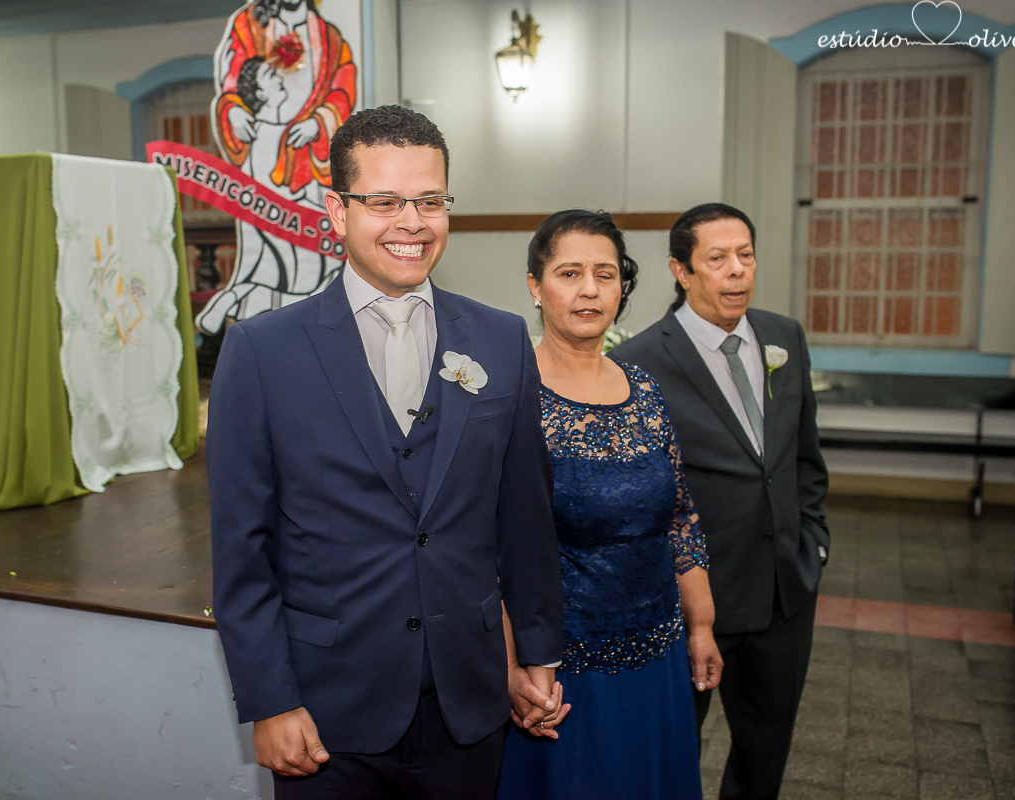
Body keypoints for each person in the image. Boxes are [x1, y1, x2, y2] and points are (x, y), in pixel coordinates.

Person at [207, 104, 564, 799]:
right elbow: (242, 548)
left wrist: (536, 654)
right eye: (386, 201)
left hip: (468, 697)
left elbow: (524, 518)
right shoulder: (262, 352)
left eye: (430, 200)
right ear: (337, 212)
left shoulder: (499, 340)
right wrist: (271, 700)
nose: (413, 221)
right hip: (325, 708)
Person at [497, 210, 723, 800]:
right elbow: (484, 550)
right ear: (534, 286)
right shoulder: (510, 395)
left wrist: (701, 625)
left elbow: (679, 516)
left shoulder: (643, 389)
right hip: (560, 669)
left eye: (606, 272)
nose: (590, 289)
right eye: (569, 273)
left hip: (657, 653)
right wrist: (509, 666)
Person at [609, 203, 830, 800]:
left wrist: (814, 543)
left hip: (785, 590)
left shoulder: (784, 338)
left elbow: (804, 459)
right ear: (682, 271)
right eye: (718, 259)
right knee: (673, 751)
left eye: (746, 256)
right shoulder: (639, 364)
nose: (737, 271)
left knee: (766, 753)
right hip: (692, 599)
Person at [198, 0, 356, 330]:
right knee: (265, 244)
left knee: (312, 256)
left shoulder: (328, 37)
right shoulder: (248, 24)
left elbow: (343, 88)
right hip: (264, 152)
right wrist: (233, 110)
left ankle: (306, 314)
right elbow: (234, 82)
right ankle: (260, 315)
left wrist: (318, 123)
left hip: (309, 162)